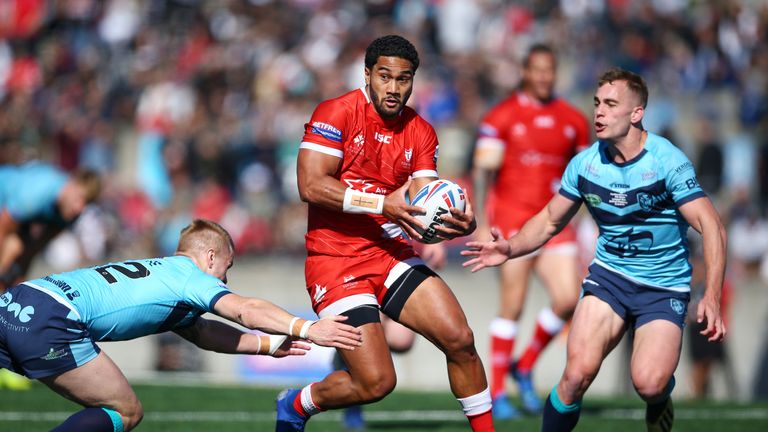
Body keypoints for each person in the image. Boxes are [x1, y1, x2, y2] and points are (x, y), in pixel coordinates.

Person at [463, 68, 726, 432]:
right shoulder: (585, 164)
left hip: (663, 288)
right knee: (575, 377)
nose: (599, 112)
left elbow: (711, 225)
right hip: (609, 280)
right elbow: (550, 220)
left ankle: (661, 399)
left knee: (648, 383)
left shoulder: (668, 161)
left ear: (637, 114)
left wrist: (711, 295)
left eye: (611, 104)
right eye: (597, 103)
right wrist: (511, 247)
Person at [276, 35, 494, 432]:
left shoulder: (421, 131)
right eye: (385, 77)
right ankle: (296, 402)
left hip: (389, 254)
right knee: (377, 382)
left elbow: (424, 200)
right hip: (336, 261)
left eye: (404, 79)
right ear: (367, 75)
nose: (394, 88)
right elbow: (310, 185)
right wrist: (380, 204)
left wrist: (456, 224)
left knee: (459, 339)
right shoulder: (336, 112)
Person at [0, 219, 363, 432]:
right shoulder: (191, 276)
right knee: (126, 411)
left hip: (23, 296)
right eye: (227, 267)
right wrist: (306, 327)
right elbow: (243, 308)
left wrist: (268, 346)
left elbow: (202, 332)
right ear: (209, 257)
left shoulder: (161, 272)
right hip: (54, 319)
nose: (225, 277)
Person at [472, 43, 589, 417]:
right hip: (511, 220)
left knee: (569, 299)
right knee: (513, 305)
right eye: (537, 69)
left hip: (555, 222)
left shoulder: (573, 119)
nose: (543, 76)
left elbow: (586, 174)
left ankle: (524, 366)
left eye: (549, 70)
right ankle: (499, 393)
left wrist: (584, 220)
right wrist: (483, 222)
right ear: (525, 71)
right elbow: (483, 170)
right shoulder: (502, 116)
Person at [0, 161, 101, 390]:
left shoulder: (70, 214)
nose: (80, 208)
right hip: (4, 210)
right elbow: (3, 229)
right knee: (10, 251)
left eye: (87, 204)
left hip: (14, 223)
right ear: (71, 185)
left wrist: (14, 285)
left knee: (13, 287)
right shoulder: (39, 192)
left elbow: (33, 250)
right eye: (79, 198)